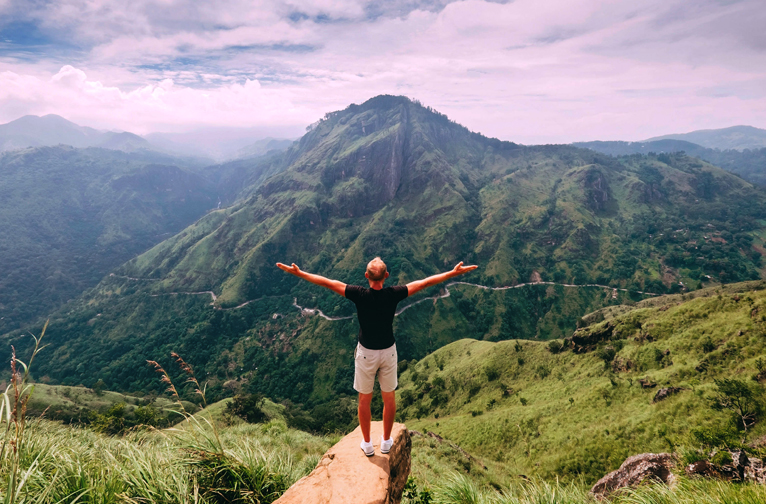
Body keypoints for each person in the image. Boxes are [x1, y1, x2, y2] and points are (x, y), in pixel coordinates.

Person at [276, 257, 477, 456]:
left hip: (366, 354)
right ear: (386, 276)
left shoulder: (358, 294)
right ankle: (386, 441)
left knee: (364, 400)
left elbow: (327, 283)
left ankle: (367, 443)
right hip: (388, 352)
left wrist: (300, 273)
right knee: (389, 398)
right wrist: (452, 273)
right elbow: (425, 282)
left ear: (366, 276)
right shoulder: (393, 294)